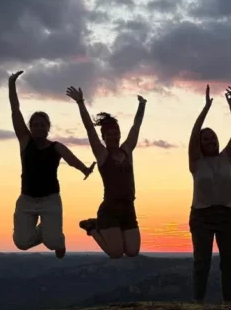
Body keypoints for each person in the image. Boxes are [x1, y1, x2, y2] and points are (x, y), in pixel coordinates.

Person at [8, 70, 95, 259]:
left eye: (42, 124)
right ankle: (46, 228)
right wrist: (12, 84)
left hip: (50, 200)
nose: (39, 127)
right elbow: (15, 111)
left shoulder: (56, 147)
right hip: (27, 200)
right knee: (21, 243)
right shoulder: (25, 141)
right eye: (35, 124)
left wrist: (84, 169)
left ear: (48, 128)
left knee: (53, 242)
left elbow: (71, 159)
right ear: (30, 127)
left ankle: (55, 238)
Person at [66, 86, 145, 259]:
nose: (113, 137)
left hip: (129, 209)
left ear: (119, 135)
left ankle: (97, 225)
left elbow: (136, 127)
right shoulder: (102, 155)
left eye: (116, 133)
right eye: (108, 134)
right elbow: (89, 128)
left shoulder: (126, 151)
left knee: (132, 252)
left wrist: (142, 105)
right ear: (104, 137)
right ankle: (92, 228)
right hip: (110, 209)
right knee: (116, 253)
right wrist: (80, 102)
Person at [188, 85, 231, 303]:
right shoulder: (196, 162)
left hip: (227, 215)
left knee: (229, 262)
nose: (211, 141)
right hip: (202, 216)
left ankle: (228, 303)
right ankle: (198, 303)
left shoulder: (226, 157)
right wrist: (205, 108)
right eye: (206, 139)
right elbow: (193, 133)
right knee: (202, 262)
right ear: (200, 144)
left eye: (213, 138)